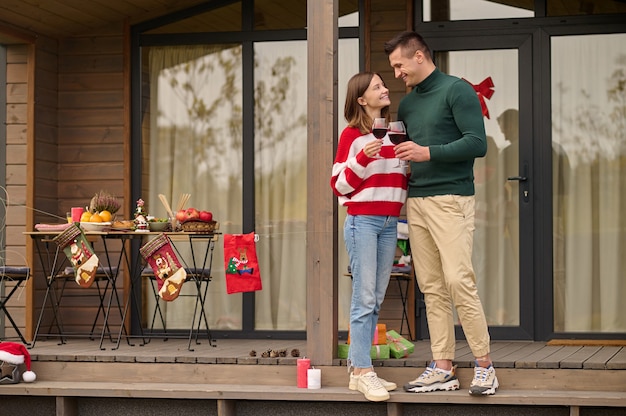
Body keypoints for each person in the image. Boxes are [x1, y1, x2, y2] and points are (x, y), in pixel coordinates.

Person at [384, 31, 499, 396]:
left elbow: (476, 143)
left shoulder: (457, 90)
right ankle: (443, 366)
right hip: (416, 201)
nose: (397, 73)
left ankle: (485, 366)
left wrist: (427, 153)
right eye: (393, 68)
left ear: (419, 56)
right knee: (431, 286)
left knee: (458, 280)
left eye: (400, 65)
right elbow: (407, 151)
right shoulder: (407, 105)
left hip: (452, 199)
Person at [330, 72, 408, 402]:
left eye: (382, 84)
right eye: (377, 86)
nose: (384, 89)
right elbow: (338, 185)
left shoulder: (394, 133)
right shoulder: (352, 136)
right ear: (362, 100)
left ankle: (360, 370)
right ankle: (362, 371)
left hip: (390, 223)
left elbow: (399, 181)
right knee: (363, 297)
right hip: (362, 221)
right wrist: (363, 157)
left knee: (375, 297)